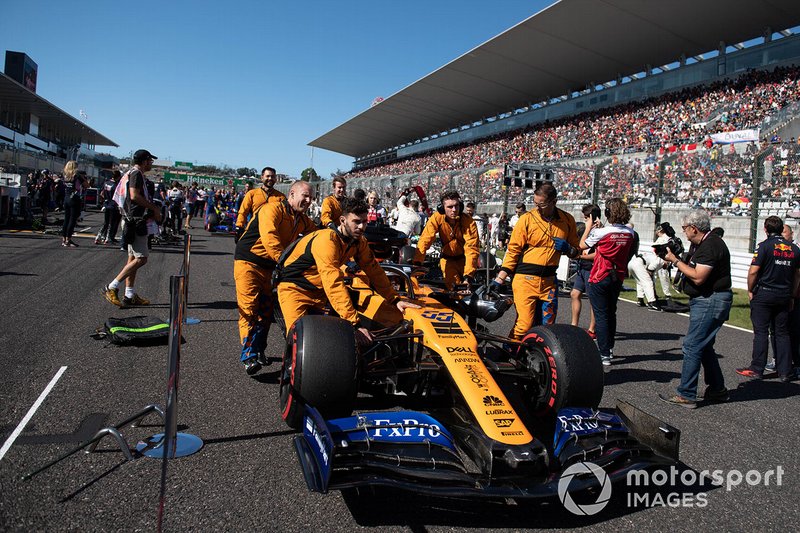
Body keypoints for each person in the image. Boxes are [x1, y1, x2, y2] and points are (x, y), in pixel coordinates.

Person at [276, 196, 419, 345]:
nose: (362, 227)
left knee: (334, 339)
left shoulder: (359, 241)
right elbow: (333, 282)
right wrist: (354, 323)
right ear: (343, 221)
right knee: (299, 340)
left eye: (364, 222)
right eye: (356, 222)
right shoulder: (326, 240)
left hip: (320, 291)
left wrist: (394, 299)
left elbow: (374, 271)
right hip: (294, 289)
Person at [234, 181, 317, 375]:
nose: (308, 200)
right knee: (249, 309)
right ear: (291, 194)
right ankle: (248, 356)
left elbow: (319, 237)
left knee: (266, 312)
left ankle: (258, 349)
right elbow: (270, 238)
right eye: (304, 196)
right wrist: (286, 262)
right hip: (249, 263)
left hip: (273, 268)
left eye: (311, 197)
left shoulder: (303, 220)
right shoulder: (272, 209)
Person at [659, 209, 731, 408]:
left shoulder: (711, 246)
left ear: (694, 228)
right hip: (708, 299)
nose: (684, 232)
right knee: (704, 345)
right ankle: (718, 389)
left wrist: (675, 261)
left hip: (711, 299)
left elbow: (698, 276)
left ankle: (687, 394)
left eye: (685, 229)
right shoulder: (703, 244)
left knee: (692, 345)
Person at [494, 182, 580, 338]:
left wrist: (568, 248)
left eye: (542, 205)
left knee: (547, 327)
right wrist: (500, 279)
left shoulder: (567, 220)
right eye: (535, 204)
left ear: (554, 202)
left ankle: (536, 356)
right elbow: (513, 251)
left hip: (549, 282)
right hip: (525, 280)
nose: (537, 208)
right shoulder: (526, 219)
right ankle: (509, 352)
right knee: (524, 325)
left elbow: (577, 251)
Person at [736, 216, 800, 382]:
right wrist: (792, 295)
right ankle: (785, 371)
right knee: (782, 333)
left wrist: (750, 289)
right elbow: (798, 275)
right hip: (785, 295)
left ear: (765, 229)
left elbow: (753, 272)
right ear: (781, 230)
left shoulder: (763, 247)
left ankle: (757, 368)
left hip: (764, 293)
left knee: (761, 332)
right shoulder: (794, 249)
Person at [102, 149, 163, 307]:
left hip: (132, 220)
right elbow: (134, 195)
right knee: (141, 259)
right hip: (135, 221)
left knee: (132, 258)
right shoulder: (136, 174)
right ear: (144, 161)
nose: (152, 163)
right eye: (150, 160)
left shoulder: (133, 173)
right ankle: (112, 286)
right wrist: (154, 209)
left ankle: (129, 295)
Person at [580, 198, 635, 366]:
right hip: (617, 276)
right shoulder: (630, 233)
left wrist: (588, 227)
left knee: (601, 315)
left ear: (607, 213)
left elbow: (582, 245)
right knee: (611, 313)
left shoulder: (601, 232)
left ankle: (604, 353)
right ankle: (609, 348)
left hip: (600, 274)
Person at [414, 190, 479, 289]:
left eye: (456, 206)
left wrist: (468, 275)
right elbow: (425, 240)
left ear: (460, 206)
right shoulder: (436, 218)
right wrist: (417, 264)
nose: (454, 210)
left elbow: (472, 248)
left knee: (468, 289)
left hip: (465, 260)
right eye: (450, 207)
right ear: (442, 208)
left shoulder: (468, 221)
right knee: (453, 289)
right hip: (448, 260)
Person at [571, 206, 598, 338]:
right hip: (582, 267)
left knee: (593, 300)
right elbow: (580, 245)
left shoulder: (602, 232)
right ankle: (574, 326)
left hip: (593, 268)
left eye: (587, 218)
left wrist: (580, 256)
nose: (584, 220)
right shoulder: (586, 230)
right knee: (575, 294)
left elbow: (597, 254)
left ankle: (592, 329)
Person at [235, 167, 284, 236]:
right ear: (262, 178)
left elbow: (285, 217)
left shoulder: (281, 197)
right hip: (253, 231)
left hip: (272, 233)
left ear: (275, 179)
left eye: (272, 176)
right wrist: (239, 226)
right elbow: (243, 212)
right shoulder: (252, 194)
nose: (270, 178)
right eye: (267, 176)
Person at [627, 222, 661, 311]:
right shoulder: (661, 261)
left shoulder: (655, 257)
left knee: (639, 281)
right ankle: (652, 302)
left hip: (632, 262)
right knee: (648, 282)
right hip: (638, 263)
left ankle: (640, 299)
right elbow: (650, 271)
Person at [61, 162, 88, 247]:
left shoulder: (65, 176)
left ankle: (64, 239)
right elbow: (86, 185)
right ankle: (68, 239)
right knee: (72, 220)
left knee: (66, 219)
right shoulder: (77, 175)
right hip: (74, 198)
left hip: (66, 197)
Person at [650, 222, 677, 306]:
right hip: (656, 260)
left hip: (663, 260)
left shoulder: (666, 238)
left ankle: (667, 295)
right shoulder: (660, 238)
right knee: (653, 277)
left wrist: (667, 261)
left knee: (663, 277)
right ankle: (653, 293)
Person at [95, 170, 121, 244]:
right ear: (118, 177)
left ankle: (99, 236)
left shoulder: (106, 183)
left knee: (106, 222)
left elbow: (102, 193)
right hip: (113, 205)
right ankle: (108, 238)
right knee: (111, 223)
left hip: (107, 203)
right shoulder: (117, 185)